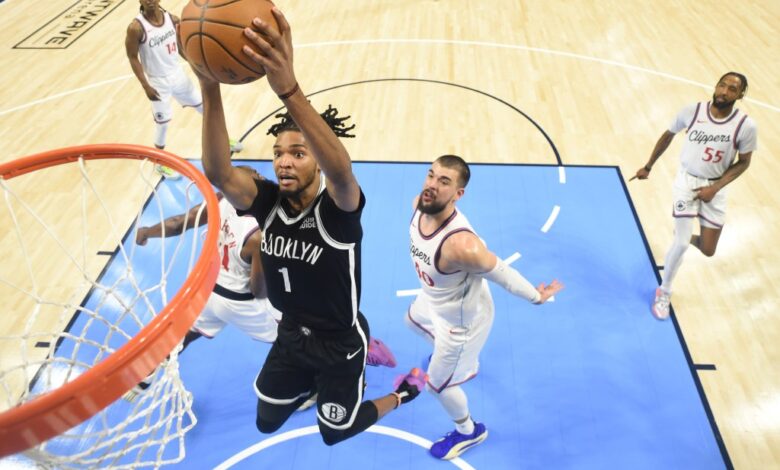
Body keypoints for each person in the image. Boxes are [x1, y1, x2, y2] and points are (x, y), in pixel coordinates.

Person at [193, 7, 424, 446]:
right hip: (289, 336)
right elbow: (219, 172)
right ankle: (314, 384)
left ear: (316, 159)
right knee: (265, 420)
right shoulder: (268, 204)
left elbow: (343, 173)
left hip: (340, 344)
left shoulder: (337, 211)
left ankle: (402, 394)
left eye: (298, 152)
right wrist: (209, 85)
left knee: (334, 432)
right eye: (278, 151)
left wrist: (289, 91)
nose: (283, 159)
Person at [131, 167, 397, 399]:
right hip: (243, 303)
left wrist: (148, 232)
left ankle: (150, 369)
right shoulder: (258, 234)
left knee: (189, 331)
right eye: (258, 178)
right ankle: (327, 379)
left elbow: (180, 222)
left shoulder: (221, 201)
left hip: (208, 292)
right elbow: (259, 290)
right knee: (301, 335)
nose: (263, 180)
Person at [405, 155, 563, 460]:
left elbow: (503, 273)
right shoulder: (418, 206)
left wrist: (536, 296)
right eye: (431, 175)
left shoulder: (463, 246)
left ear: (458, 194)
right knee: (411, 320)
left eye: (444, 182)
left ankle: (469, 431)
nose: (432, 185)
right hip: (436, 300)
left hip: (462, 322)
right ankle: (453, 363)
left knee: (436, 387)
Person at [632, 72, 757, 320]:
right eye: (722, 85)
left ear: (740, 95)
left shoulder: (746, 126)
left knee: (709, 249)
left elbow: (743, 163)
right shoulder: (693, 111)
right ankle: (664, 291)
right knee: (679, 242)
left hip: (715, 187)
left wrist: (716, 187)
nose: (724, 91)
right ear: (715, 85)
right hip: (686, 183)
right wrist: (648, 165)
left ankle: (687, 235)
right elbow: (667, 136)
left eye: (732, 89)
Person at [124, 0, 241, 179]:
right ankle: (159, 163)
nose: (149, 0)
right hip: (157, 82)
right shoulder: (136, 28)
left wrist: (197, 64)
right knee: (163, 124)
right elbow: (132, 57)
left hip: (178, 76)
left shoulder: (172, 20)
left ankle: (224, 141)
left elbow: (180, 47)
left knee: (205, 107)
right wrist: (145, 85)